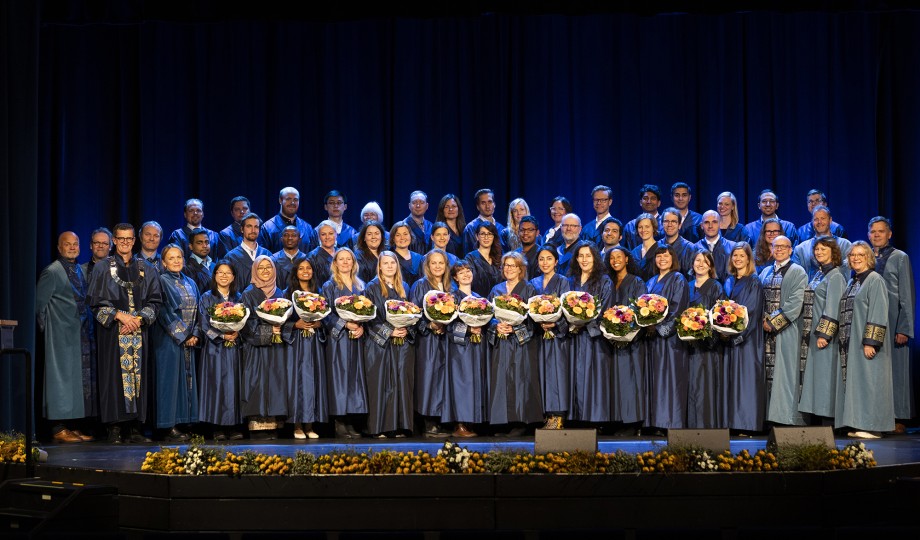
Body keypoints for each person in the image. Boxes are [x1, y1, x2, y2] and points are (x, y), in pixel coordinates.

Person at [88, 223, 162, 444]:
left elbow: (155, 301)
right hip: (113, 333)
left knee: (139, 378)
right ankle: (114, 427)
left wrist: (138, 319)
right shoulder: (102, 268)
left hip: (139, 331)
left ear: (134, 241)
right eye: (121, 239)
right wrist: (120, 316)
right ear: (114, 240)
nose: (125, 243)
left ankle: (135, 428)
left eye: (129, 239)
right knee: (113, 378)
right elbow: (95, 303)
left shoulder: (147, 269)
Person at [36, 231, 97, 443]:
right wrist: (50, 332)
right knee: (59, 381)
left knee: (75, 382)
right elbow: (39, 306)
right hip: (59, 337)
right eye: (67, 244)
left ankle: (72, 426)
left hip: (79, 335)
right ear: (59, 247)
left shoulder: (79, 270)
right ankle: (58, 428)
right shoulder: (52, 272)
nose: (72, 247)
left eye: (75, 244)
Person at [834, 241, 895, 438]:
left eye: (860, 254)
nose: (856, 258)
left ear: (869, 257)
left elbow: (879, 311)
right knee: (858, 383)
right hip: (851, 342)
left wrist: (871, 341)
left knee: (871, 381)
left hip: (867, 342)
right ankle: (859, 423)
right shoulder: (854, 281)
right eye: (852, 255)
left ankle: (873, 426)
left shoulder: (874, 279)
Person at [488, 252, 542, 436]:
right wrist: (497, 327)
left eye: (513, 265)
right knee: (501, 380)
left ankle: (520, 421)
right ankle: (501, 422)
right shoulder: (496, 290)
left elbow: (533, 319)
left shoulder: (529, 289)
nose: (509, 269)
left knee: (520, 380)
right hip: (501, 344)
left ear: (521, 269)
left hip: (521, 344)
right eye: (506, 265)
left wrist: (515, 329)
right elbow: (488, 316)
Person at [868, 216, 915, 426]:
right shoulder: (865, 257)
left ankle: (898, 418)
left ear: (889, 234)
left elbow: (906, 294)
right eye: (873, 232)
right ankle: (877, 416)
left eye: (880, 231)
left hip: (893, 320)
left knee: (896, 371)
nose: (876, 235)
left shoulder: (899, 257)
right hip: (872, 320)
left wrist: (904, 327)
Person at [239, 256, 293, 439]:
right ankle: (258, 426)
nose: (264, 271)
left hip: (277, 349)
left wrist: (281, 329)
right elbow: (245, 324)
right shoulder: (248, 294)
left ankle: (275, 425)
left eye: (268, 267)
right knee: (258, 384)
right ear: (254, 271)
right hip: (257, 350)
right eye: (260, 268)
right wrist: (269, 330)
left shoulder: (281, 292)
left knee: (277, 383)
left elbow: (288, 318)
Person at [364, 251, 416, 438]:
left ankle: (401, 426)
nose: (389, 266)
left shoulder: (405, 287)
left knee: (402, 383)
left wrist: (405, 327)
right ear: (379, 266)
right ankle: (381, 427)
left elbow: (412, 312)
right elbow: (369, 317)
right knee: (383, 384)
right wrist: (389, 331)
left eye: (392, 263)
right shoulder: (372, 287)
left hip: (402, 344)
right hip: (380, 345)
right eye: (385, 263)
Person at [151, 244, 200, 442]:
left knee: (185, 381)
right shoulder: (161, 281)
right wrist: (184, 335)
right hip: (168, 340)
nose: (176, 261)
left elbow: (198, 312)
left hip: (188, 341)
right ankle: (166, 425)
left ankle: (182, 422)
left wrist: (195, 333)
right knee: (169, 382)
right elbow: (164, 311)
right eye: (171, 258)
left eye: (179, 257)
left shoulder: (190, 281)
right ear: (163, 262)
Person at [760, 235, 808, 427]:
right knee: (767, 373)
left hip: (786, 330)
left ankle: (786, 417)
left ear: (790, 250)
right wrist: (763, 319)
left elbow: (796, 302)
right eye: (775, 246)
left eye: (783, 246)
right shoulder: (764, 272)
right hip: (765, 332)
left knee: (786, 375)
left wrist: (773, 322)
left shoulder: (798, 272)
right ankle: (768, 417)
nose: (779, 249)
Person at [321, 248, 368, 439]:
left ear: (354, 262)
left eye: (349, 259)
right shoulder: (329, 285)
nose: (345, 262)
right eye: (341, 259)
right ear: (335, 263)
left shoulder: (360, 286)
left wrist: (362, 326)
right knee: (339, 379)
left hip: (356, 339)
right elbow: (325, 313)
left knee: (354, 380)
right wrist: (344, 324)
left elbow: (366, 310)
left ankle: (350, 420)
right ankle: (339, 422)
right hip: (338, 340)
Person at [798, 238, 847, 422]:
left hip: (825, 336)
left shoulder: (835, 275)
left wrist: (825, 334)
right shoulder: (818, 274)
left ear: (833, 252)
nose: (818, 252)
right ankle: (817, 416)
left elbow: (833, 306)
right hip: (812, 333)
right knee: (816, 377)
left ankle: (829, 418)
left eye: (823, 249)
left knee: (826, 375)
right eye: (816, 249)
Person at [196, 261, 245, 441]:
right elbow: (203, 324)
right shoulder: (206, 297)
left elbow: (245, 320)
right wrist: (223, 336)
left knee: (234, 385)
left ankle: (234, 426)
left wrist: (237, 331)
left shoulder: (238, 297)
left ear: (233, 277)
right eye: (220, 272)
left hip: (234, 349)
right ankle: (217, 427)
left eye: (228, 273)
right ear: (214, 275)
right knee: (216, 385)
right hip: (214, 349)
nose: (224, 276)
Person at [568, 242, 615, 426]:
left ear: (595, 258)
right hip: (573, 338)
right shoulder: (570, 280)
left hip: (594, 339)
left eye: (588, 255)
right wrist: (571, 325)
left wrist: (584, 323)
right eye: (581, 256)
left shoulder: (604, 281)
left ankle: (595, 419)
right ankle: (576, 417)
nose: (584, 259)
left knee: (594, 377)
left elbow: (605, 309)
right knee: (574, 376)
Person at [644, 245, 690, 432]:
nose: (662, 258)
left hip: (669, 340)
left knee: (669, 380)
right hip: (651, 338)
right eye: (659, 256)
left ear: (673, 259)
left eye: (666, 255)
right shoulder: (651, 281)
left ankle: (670, 423)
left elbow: (678, 308)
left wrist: (660, 328)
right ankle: (653, 421)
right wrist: (646, 325)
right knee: (654, 379)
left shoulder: (678, 279)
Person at [409, 249, 454, 438]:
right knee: (428, 379)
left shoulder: (450, 286)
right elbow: (413, 313)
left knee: (443, 380)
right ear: (427, 266)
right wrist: (429, 324)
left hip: (446, 339)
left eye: (441, 263)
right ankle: (428, 421)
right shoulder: (420, 285)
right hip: (427, 340)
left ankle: (441, 419)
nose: (437, 266)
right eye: (433, 263)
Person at [723, 243, 765, 433]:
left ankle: (747, 424)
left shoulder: (753, 282)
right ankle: (732, 422)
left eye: (742, 256)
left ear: (749, 258)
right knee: (732, 380)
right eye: (735, 256)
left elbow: (752, 312)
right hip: (729, 339)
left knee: (746, 380)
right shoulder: (730, 281)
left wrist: (737, 335)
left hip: (746, 339)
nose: (738, 259)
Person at [283, 257, 328, 439]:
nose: (305, 271)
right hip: (297, 343)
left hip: (314, 343)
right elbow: (282, 319)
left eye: (308, 268)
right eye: (301, 268)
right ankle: (297, 425)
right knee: (297, 382)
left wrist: (319, 324)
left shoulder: (318, 293)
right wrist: (295, 325)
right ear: (296, 272)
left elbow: (326, 319)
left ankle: (310, 425)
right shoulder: (288, 294)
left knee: (314, 381)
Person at [530, 245, 572, 430]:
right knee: (540, 374)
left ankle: (558, 415)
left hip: (556, 337)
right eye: (541, 259)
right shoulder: (533, 283)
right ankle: (544, 415)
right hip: (538, 336)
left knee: (556, 374)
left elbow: (567, 309)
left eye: (549, 258)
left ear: (556, 261)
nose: (545, 262)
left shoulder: (563, 282)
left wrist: (555, 324)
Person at [444, 260, 487, 437]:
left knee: (476, 383)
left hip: (477, 347)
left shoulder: (479, 298)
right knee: (462, 384)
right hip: (460, 348)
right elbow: (447, 326)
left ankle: (472, 422)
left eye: (468, 271)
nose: (466, 274)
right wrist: (469, 329)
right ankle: (460, 424)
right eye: (461, 272)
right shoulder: (451, 298)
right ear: (455, 277)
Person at [606, 246, 647, 432]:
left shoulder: (637, 282)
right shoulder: (608, 282)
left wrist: (628, 332)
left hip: (631, 340)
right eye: (612, 257)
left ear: (627, 259)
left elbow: (641, 310)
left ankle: (631, 422)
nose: (615, 260)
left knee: (630, 380)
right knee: (613, 381)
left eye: (619, 257)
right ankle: (614, 420)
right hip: (611, 341)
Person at [686, 250, 725, 429]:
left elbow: (719, 316)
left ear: (710, 266)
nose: (700, 264)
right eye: (697, 260)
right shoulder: (686, 286)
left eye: (705, 261)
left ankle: (706, 427)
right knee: (690, 387)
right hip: (687, 345)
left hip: (707, 346)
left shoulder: (716, 286)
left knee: (704, 387)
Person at [792, 206, 852, 279]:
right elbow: (796, 278)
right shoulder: (800, 249)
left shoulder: (845, 245)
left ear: (830, 220)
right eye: (816, 219)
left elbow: (847, 274)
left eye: (823, 218)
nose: (819, 222)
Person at [258, 187, 319, 254]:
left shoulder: (307, 228)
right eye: (288, 199)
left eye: (295, 200)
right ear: (280, 200)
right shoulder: (267, 228)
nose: (292, 202)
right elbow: (264, 258)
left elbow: (313, 256)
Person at [224, 212, 271, 293]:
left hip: (265, 302)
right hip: (239, 303)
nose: (253, 230)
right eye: (249, 226)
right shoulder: (231, 257)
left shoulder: (267, 254)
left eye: (256, 227)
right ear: (242, 229)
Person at [695, 210, 736, 283]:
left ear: (720, 224)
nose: (710, 226)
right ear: (701, 226)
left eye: (714, 222)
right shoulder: (694, 248)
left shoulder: (732, 247)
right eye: (707, 222)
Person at [464, 222, 502, 298]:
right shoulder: (470, 258)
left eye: (489, 234)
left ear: (494, 237)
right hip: (478, 302)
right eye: (482, 234)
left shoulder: (499, 258)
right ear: (477, 237)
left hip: (497, 302)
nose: (486, 237)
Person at [462, 189, 506, 254]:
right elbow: (468, 255)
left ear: (494, 204)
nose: (487, 206)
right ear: (478, 207)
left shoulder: (501, 228)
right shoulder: (470, 228)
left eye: (490, 202)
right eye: (483, 203)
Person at [622, 184, 663, 250]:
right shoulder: (630, 226)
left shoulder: (665, 224)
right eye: (645, 198)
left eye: (653, 198)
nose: (649, 201)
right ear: (640, 202)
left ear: (658, 203)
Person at [657, 208, 696, 274]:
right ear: (662, 224)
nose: (669, 225)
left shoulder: (690, 248)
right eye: (666, 221)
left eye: (673, 221)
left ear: (679, 225)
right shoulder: (656, 246)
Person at [389, 221, 424, 285]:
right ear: (393, 238)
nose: (402, 238)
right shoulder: (389, 259)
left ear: (410, 236)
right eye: (398, 235)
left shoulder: (419, 258)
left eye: (405, 234)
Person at [307, 220, 338, 289]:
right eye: (323, 234)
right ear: (318, 237)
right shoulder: (312, 257)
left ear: (336, 234)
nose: (327, 237)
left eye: (330, 233)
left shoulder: (342, 254)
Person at [182, 228, 215, 294]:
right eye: (199, 243)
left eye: (207, 242)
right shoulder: (186, 269)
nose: (204, 246)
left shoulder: (215, 265)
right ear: (191, 246)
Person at [629, 213, 660, 281]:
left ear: (653, 228)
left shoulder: (662, 249)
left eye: (647, 226)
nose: (643, 230)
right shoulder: (634, 252)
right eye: (640, 227)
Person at [434, 194, 467, 258]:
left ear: (458, 209)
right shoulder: (438, 230)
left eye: (454, 206)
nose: (451, 209)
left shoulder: (465, 229)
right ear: (442, 210)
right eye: (447, 207)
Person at [403, 190, 433, 255]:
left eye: (422, 202)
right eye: (414, 202)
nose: (418, 205)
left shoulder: (431, 226)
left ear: (427, 206)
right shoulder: (402, 226)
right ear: (409, 206)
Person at [515, 215, 541, 280]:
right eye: (522, 230)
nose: (525, 233)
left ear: (537, 233)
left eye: (530, 230)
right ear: (518, 232)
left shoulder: (541, 254)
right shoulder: (515, 254)